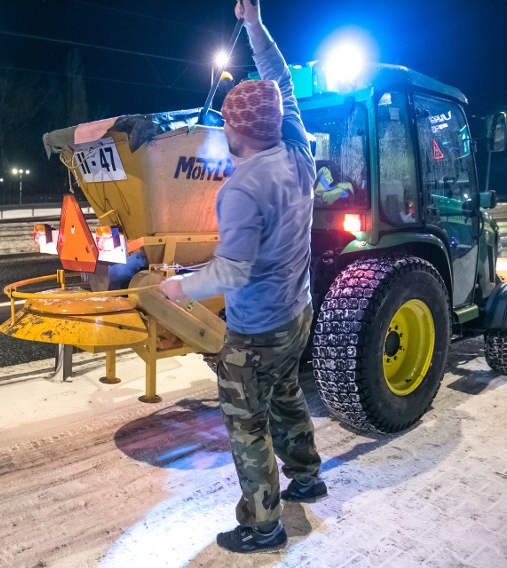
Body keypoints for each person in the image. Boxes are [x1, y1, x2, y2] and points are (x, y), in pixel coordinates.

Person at [159, 0, 326, 554]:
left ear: (238, 128)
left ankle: (263, 524)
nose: (221, 127)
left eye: (226, 121)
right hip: (297, 311)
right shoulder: (297, 146)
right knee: (285, 394)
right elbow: (278, 77)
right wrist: (253, 24)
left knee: (246, 424)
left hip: (256, 330)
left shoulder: (242, 188)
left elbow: (233, 269)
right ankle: (307, 476)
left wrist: (179, 286)